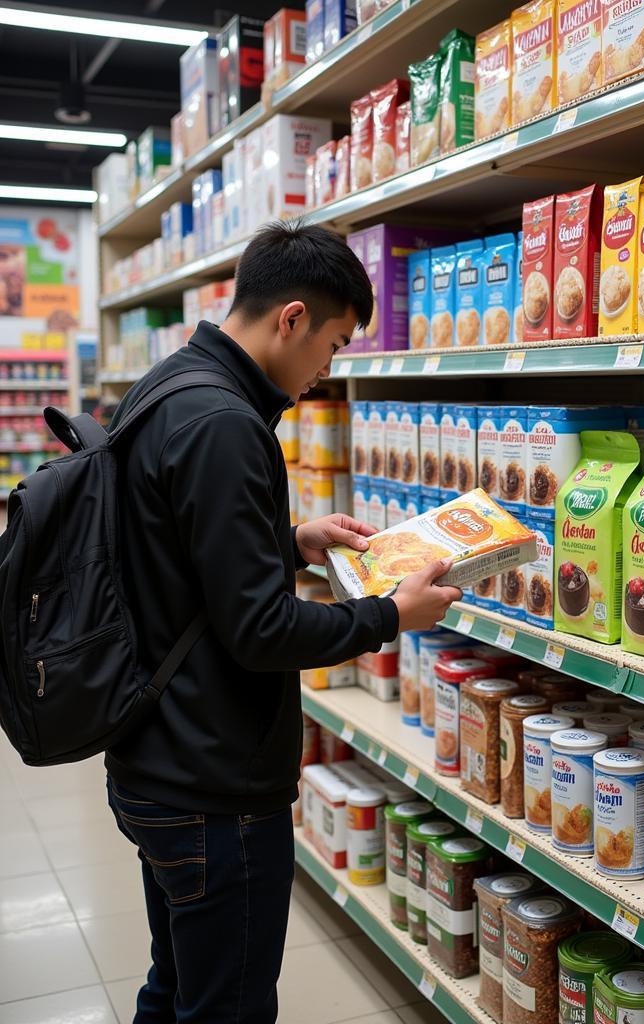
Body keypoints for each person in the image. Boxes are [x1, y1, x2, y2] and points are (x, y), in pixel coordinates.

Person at [104, 221, 461, 1023]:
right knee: (225, 1009)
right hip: (211, 785)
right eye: (332, 345)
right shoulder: (228, 424)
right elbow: (260, 631)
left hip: (152, 757)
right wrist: (389, 614)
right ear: (291, 319)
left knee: (175, 990)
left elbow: (172, 549)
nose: (327, 368)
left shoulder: (171, 385)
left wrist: (291, 540)